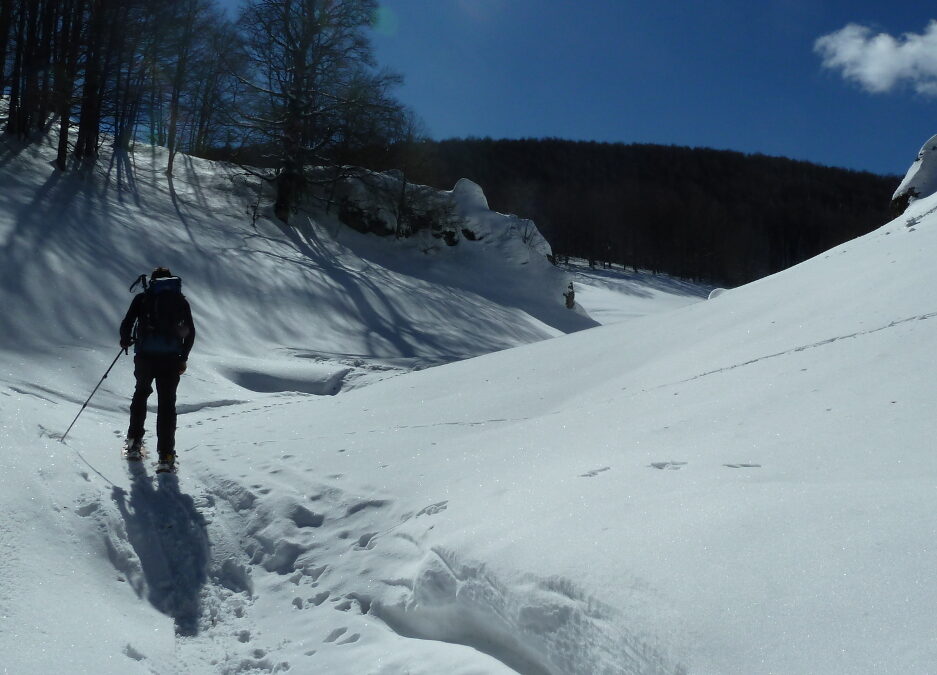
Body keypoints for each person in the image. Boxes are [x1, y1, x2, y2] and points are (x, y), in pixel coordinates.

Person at [119, 267, 196, 471]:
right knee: (167, 405)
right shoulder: (180, 301)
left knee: (141, 395)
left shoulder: (143, 299)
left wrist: (125, 340)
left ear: (152, 282)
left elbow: (127, 323)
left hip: (145, 357)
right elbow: (190, 333)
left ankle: (134, 444)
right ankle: (166, 456)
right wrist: (183, 358)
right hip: (170, 360)